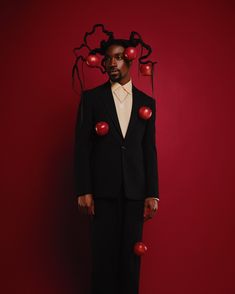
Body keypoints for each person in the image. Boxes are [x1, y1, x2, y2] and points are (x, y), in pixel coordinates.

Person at [73, 25, 160, 294]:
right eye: (108, 58)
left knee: (130, 259)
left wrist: (152, 193)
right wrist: (84, 189)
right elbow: (81, 147)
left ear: (130, 59)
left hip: (135, 191)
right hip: (102, 192)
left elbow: (149, 149)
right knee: (103, 258)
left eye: (118, 57)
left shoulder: (148, 102)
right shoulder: (91, 99)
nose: (111, 63)